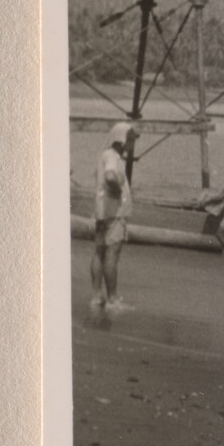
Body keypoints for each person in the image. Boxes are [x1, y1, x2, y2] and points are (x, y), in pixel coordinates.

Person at [90, 122, 136, 310]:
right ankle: (112, 299)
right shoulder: (113, 156)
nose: (133, 144)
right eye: (131, 139)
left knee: (99, 251)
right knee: (112, 253)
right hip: (113, 212)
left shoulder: (105, 154)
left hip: (102, 210)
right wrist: (117, 189)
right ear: (123, 140)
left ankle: (96, 296)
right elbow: (110, 176)